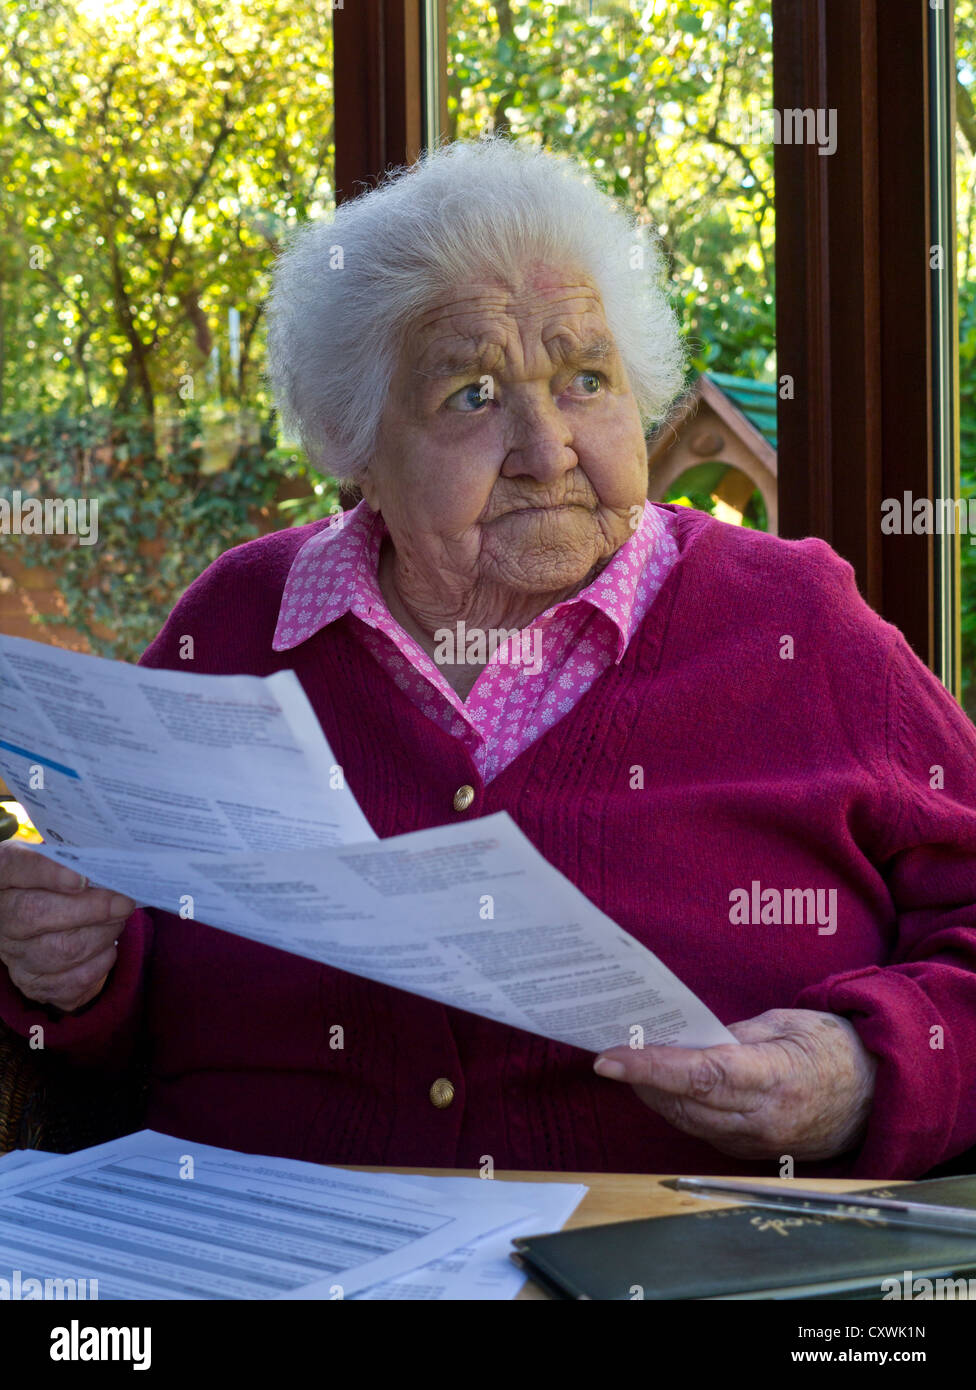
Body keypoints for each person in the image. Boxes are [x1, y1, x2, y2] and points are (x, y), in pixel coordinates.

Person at [1, 137, 975, 1178]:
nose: (545, 446)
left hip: (666, 1261)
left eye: (585, 379)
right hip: (265, 1252)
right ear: (355, 443)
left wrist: (861, 1066)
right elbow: (119, 946)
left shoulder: (794, 624)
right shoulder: (239, 621)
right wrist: (66, 972)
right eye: (472, 394)